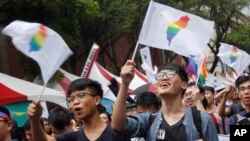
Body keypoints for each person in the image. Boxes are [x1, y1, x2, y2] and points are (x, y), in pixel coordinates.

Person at [112, 60, 219, 141]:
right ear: (156, 89)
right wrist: (125, 84)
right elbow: (118, 125)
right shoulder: (148, 120)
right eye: (160, 75)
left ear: (184, 85)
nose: (164, 78)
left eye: (170, 74)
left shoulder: (201, 119)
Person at [27, 78, 117, 141]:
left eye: (81, 95)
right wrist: (34, 120)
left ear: (97, 99)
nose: (75, 102)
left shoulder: (118, 133)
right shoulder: (72, 137)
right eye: (71, 99)